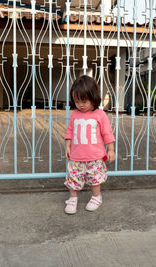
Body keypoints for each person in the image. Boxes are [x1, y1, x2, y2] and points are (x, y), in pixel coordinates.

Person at [64, 75, 116, 214]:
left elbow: (107, 133)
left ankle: (96, 197)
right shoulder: (74, 114)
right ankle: (73, 199)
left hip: (95, 156)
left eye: (84, 101)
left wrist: (111, 150)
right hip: (76, 156)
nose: (80, 104)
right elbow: (70, 131)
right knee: (73, 178)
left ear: (93, 98)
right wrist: (68, 146)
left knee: (95, 179)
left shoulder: (100, 114)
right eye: (76, 101)